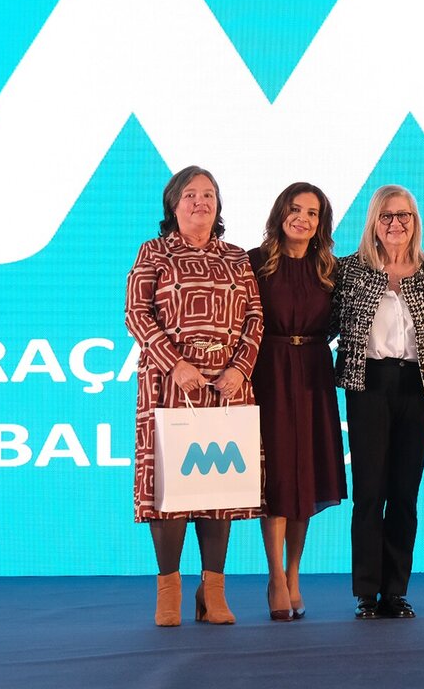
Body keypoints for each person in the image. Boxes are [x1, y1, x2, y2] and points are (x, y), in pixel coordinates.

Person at [125, 165, 265, 627]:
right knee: (171, 487)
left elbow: (255, 318)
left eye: (208, 194)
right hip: (169, 384)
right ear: (173, 203)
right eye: (190, 194)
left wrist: (240, 368)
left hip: (227, 386)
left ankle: (214, 590)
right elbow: (136, 313)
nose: (200, 202)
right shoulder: (154, 251)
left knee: (218, 484)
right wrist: (175, 364)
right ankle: (169, 590)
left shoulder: (236, 256)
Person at [333, 184, 424, 620]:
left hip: (417, 389)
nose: (396, 223)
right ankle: (367, 592)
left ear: (415, 222)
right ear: (373, 223)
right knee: (369, 492)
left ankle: (395, 591)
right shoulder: (349, 270)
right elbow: (324, 325)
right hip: (367, 385)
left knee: (405, 494)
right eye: (386, 216)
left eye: (404, 215)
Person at [247, 182, 347, 622]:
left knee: (305, 474)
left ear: (321, 222)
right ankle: (274, 577)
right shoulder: (254, 262)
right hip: (268, 371)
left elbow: (340, 322)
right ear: (280, 213)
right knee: (278, 474)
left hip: (313, 372)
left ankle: (293, 575)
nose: (302, 218)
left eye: (312, 212)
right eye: (294, 208)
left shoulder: (330, 269)